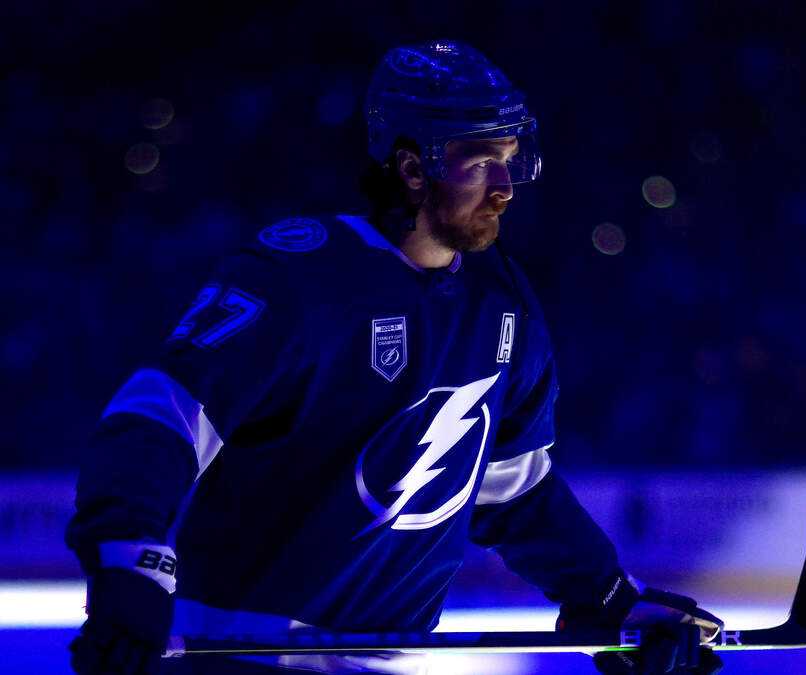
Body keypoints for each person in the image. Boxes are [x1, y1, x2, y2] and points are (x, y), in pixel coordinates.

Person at [66, 41, 722, 675]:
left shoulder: (506, 304)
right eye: (481, 162)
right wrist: (129, 555)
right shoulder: (300, 279)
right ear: (412, 168)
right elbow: (161, 412)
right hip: (240, 660)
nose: (505, 187)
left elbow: (510, 488)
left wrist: (606, 594)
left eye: (510, 160)